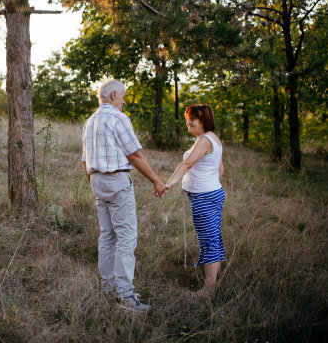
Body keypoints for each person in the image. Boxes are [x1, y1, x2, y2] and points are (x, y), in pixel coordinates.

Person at [82, 79, 165, 314]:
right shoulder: (118, 118)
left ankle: (107, 287)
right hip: (116, 180)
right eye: (124, 96)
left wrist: (95, 185)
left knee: (107, 235)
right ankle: (125, 296)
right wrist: (157, 181)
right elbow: (135, 156)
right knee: (126, 237)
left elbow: (85, 161)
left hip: (96, 180)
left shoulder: (90, 121)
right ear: (114, 94)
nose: (124, 101)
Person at [163, 104, 225, 297]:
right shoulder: (212, 139)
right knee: (214, 237)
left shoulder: (204, 140)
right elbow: (220, 169)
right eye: (188, 117)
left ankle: (208, 289)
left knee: (208, 240)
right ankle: (214, 279)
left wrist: (168, 184)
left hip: (205, 197)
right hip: (212, 193)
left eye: (193, 119)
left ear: (204, 120)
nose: (188, 122)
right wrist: (209, 185)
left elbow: (187, 163)